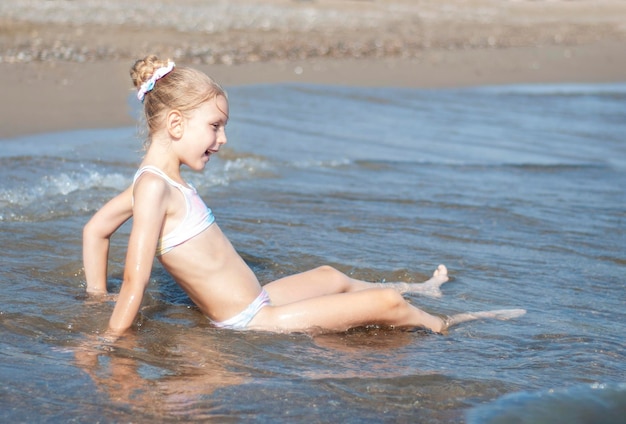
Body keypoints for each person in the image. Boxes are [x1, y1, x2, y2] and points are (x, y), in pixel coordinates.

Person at [82, 55, 525, 339]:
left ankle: (421, 289)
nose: (222, 139)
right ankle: (443, 325)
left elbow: (95, 230)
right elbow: (137, 283)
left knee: (331, 275)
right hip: (253, 321)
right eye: (214, 127)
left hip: (260, 299)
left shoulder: (155, 181)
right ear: (176, 125)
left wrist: (96, 293)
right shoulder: (155, 186)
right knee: (386, 307)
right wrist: (106, 340)